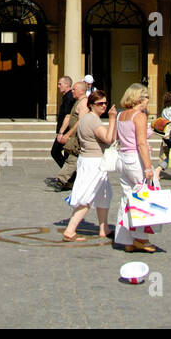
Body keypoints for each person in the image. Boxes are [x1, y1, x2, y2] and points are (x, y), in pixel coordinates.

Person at [61, 89, 117, 241]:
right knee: (87, 196)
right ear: (92, 105)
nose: (104, 106)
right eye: (100, 104)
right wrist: (112, 119)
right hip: (94, 162)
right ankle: (70, 230)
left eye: (105, 103)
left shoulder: (85, 118)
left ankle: (103, 228)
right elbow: (108, 138)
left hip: (88, 159)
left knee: (104, 194)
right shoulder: (93, 120)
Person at [114, 83, 158, 252]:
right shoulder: (139, 116)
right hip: (135, 159)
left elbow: (120, 138)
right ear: (139, 98)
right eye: (146, 97)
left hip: (123, 158)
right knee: (143, 197)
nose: (148, 100)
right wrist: (148, 167)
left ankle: (127, 239)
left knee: (126, 198)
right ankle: (140, 238)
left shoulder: (121, 115)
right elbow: (141, 142)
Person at [49, 77, 91, 191]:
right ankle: (68, 181)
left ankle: (63, 180)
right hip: (73, 135)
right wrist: (62, 132)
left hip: (77, 136)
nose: (72, 91)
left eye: (74, 89)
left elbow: (80, 122)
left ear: (81, 91)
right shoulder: (77, 101)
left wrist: (67, 134)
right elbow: (69, 117)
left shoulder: (84, 103)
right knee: (71, 158)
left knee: (72, 159)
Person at [51, 76, 75, 167]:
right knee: (66, 155)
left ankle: (69, 175)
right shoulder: (66, 97)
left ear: (67, 85)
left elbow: (68, 116)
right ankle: (68, 176)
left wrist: (61, 132)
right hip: (64, 131)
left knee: (55, 152)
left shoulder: (69, 98)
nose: (58, 86)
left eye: (60, 84)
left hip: (65, 131)